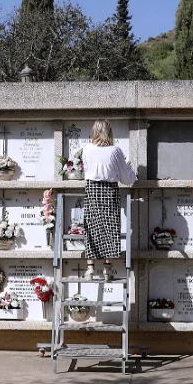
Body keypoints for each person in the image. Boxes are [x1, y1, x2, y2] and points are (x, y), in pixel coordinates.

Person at [80, 119, 135, 280]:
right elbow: (126, 178)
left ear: (94, 132)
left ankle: (90, 268)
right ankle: (107, 268)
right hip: (109, 190)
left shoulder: (86, 149)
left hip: (91, 189)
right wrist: (132, 173)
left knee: (91, 225)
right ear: (109, 132)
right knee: (110, 227)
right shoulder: (115, 151)